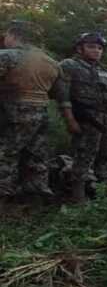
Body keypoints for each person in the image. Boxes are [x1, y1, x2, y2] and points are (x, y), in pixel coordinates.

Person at [55, 32, 107, 202]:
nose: (96, 51)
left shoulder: (105, 71)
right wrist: (70, 120)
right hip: (87, 117)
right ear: (80, 48)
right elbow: (62, 96)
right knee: (84, 156)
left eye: (99, 48)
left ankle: (102, 195)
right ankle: (78, 198)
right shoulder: (69, 65)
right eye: (91, 47)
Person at [0, 21, 61, 200]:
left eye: (6, 37)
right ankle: (38, 190)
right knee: (37, 153)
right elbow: (56, 93)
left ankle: (4, 192)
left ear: (13, 35)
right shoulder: (50, 61)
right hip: (41, 111)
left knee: (6, 151)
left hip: (14, 110)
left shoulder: (7, 55)